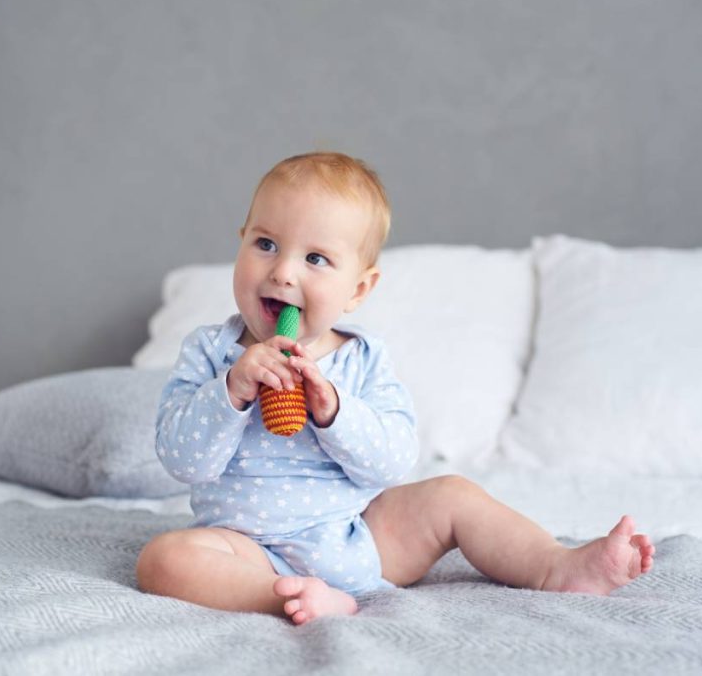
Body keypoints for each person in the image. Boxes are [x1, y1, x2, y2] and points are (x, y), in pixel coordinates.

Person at [136, 152, 655, 625]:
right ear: (242, 240)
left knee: (453, 495)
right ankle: (289, 595)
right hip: (246, 548)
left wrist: (335, 412)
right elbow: (183, 461)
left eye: (315, 259)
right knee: (165, 560)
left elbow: (392, 462)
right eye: (265, 244)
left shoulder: (362, 359)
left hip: (358, 534)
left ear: (358, 289)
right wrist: (231, 390)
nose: (283, 271)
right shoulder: (210, 352)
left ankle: (555, 566)